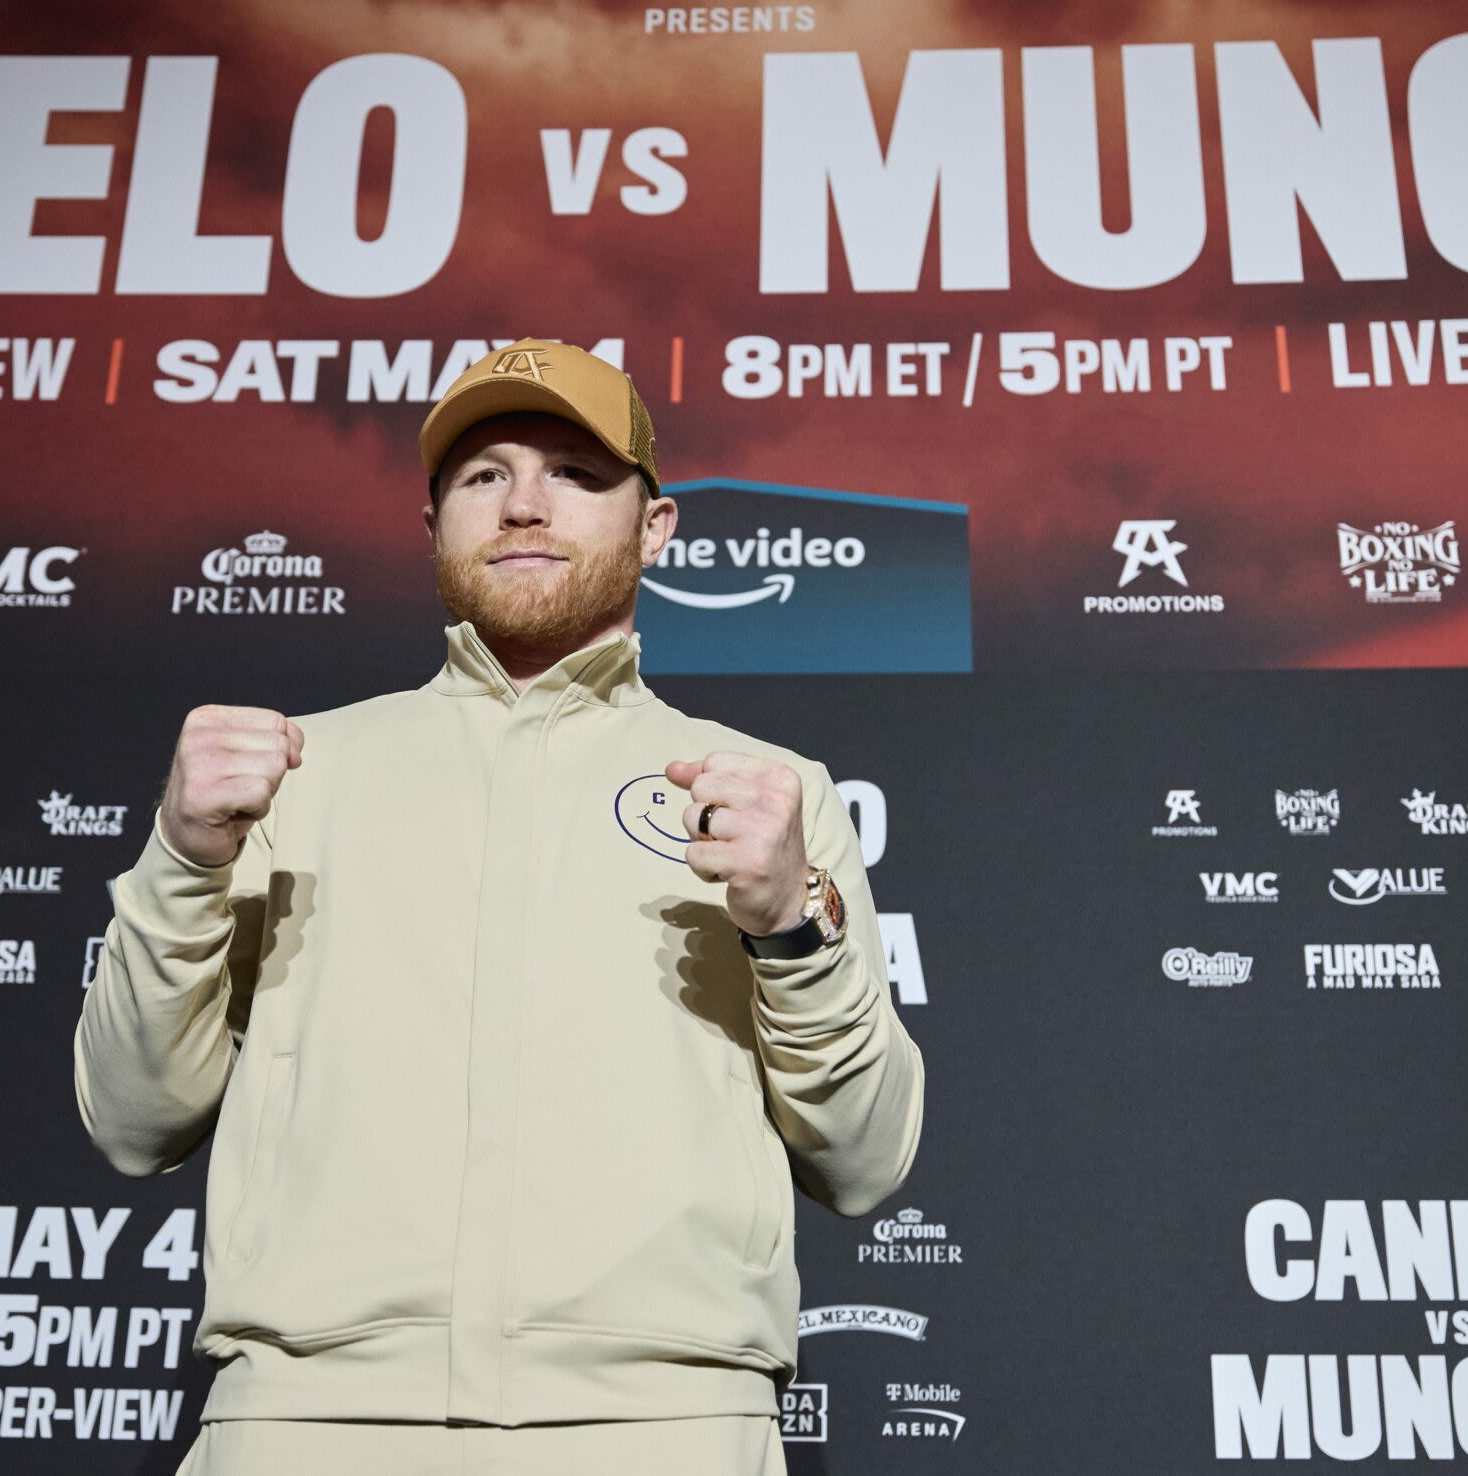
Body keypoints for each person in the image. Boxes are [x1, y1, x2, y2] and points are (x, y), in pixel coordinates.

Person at [74, 338, 927, 1475]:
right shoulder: (290, 774)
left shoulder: (768, 793)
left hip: (663, 1433)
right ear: (432, 527)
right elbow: (134, 1124)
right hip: (304, 1428)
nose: (524, 504)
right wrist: (180, 860)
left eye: (574, 472)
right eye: (484, 476)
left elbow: (865, 1162)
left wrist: (790, 928)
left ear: (655, 528)